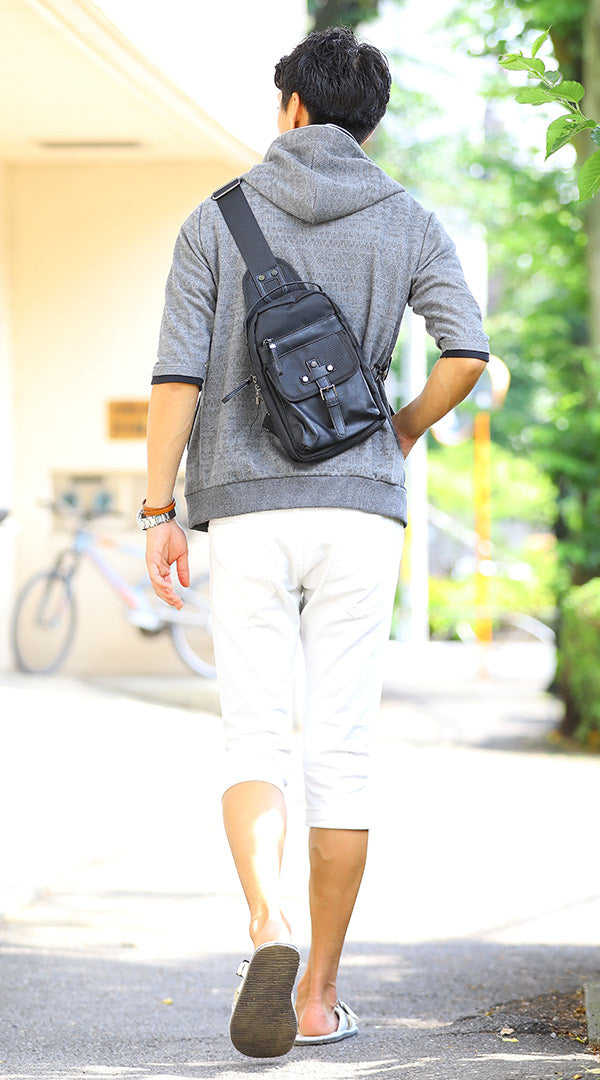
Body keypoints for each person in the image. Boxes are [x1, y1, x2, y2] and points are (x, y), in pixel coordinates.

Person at [142, 26, 490, 1058]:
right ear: (367, 123)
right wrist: (401, 431)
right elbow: (467, 352)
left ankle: (268, 928)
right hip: (360, 510)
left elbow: (176, 378)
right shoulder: (408, 218)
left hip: (248, 508)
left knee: (254, 735)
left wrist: (158, 512)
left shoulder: (218, 217)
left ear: (292, 106)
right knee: (341, 747)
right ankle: (317, 999)